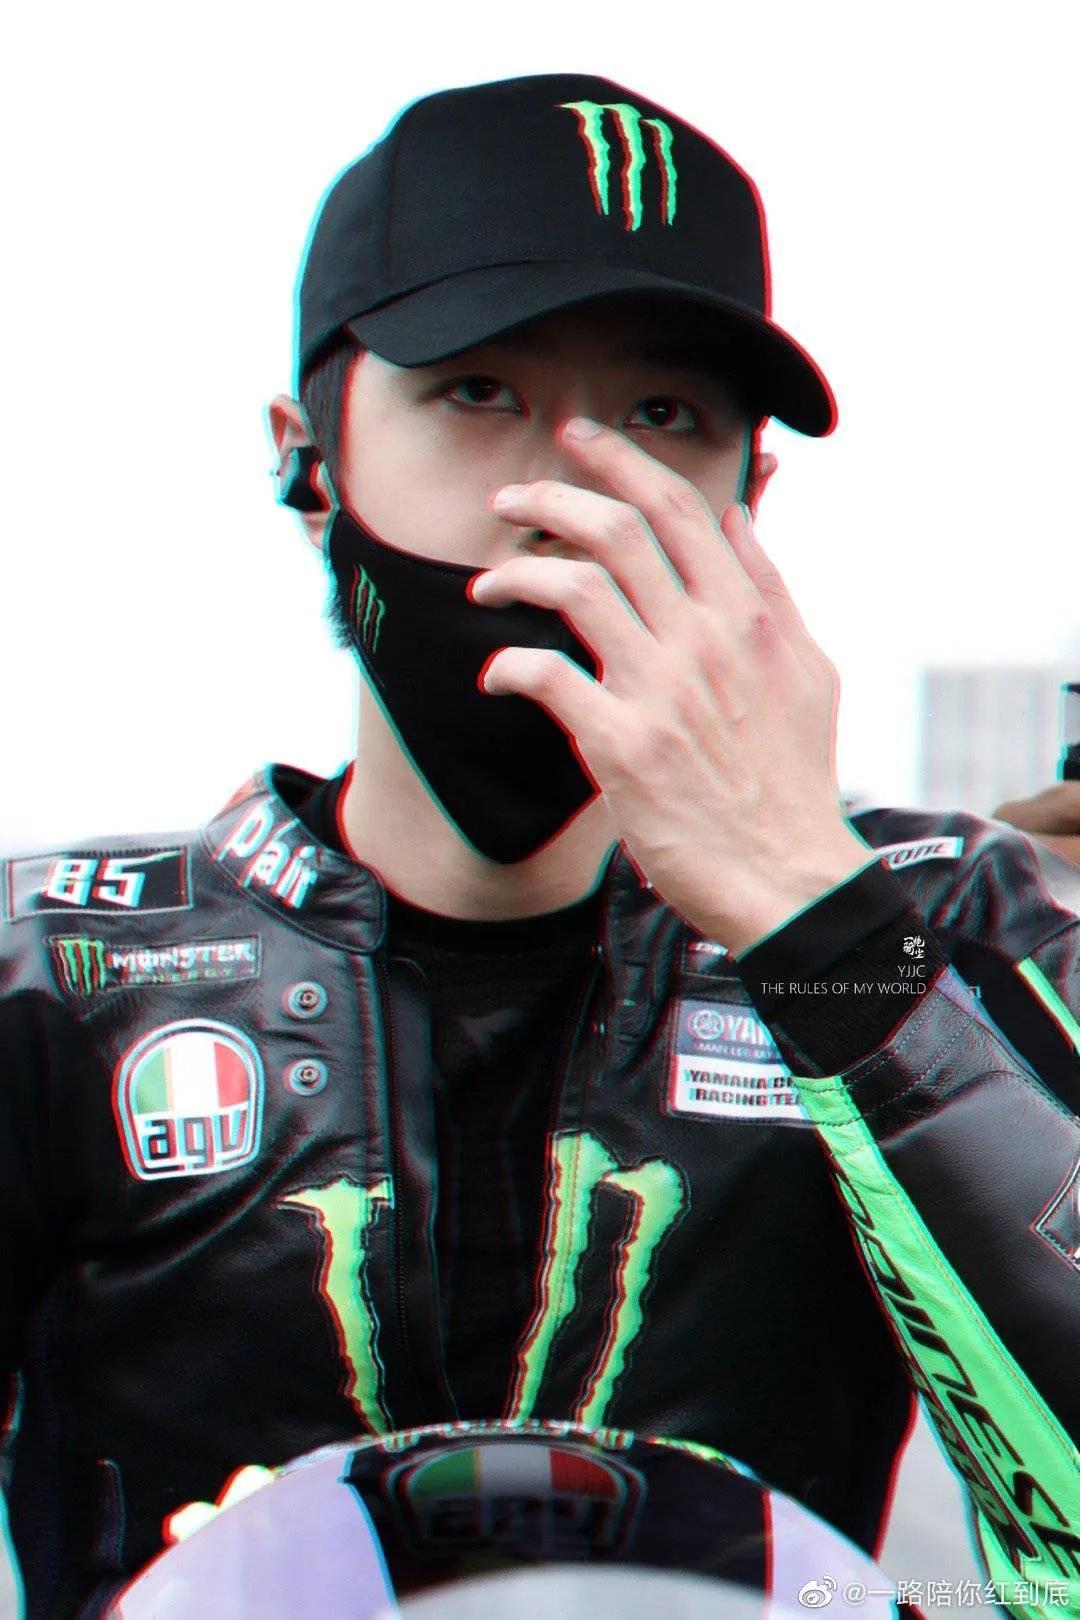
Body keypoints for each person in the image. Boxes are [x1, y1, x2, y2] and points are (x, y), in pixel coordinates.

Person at [1, 72, 1077, 1620]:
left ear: (751, 496)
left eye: (661, 419)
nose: (567, 495)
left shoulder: (946, 924)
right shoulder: (61, 975)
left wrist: (811, 921)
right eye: (476, 392)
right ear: (308, 459)